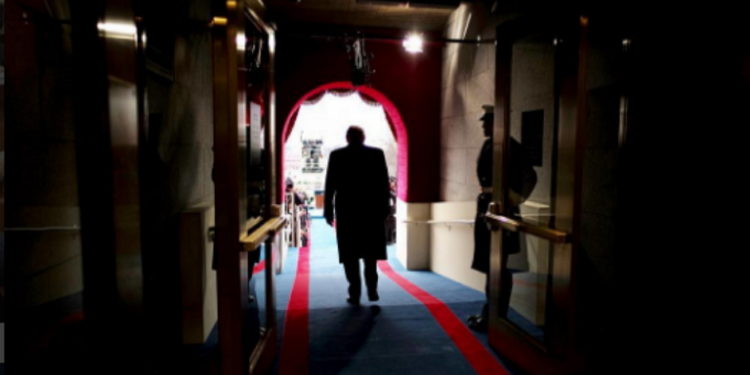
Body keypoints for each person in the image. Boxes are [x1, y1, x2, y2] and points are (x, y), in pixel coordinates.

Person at [467, 105, 537, 331]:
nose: (483, 126)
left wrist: (511, 200)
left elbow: (529, 176)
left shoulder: (510, 146)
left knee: (498, 266)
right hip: (488, 209)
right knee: (491, 266)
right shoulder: (492, 144)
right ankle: (492, 314)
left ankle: (497, 316)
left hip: (501, 212)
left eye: (487, 122)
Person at [324, 126, 391, 305]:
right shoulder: (376, 154)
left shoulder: (337, 155)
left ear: (347, 138)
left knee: (349, 255)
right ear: (363, 137)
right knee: (371, 255)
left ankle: (354, 292)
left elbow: (330, 185)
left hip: (347, 210)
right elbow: (384, 184)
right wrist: (386, 208)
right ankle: (372, 289)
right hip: (371, 211)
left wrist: (328, 210)